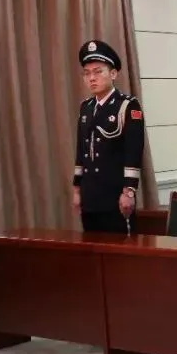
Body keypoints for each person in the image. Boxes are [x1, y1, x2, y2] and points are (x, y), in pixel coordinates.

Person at [72, 40, 145, 234]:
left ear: (113, 74)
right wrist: (77, 189)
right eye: (87, 73)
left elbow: (134, 151)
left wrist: (129, 191)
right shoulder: (86, 107)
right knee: (91, 247)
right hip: (90, 197)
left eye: (98, 72)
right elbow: (81, 151)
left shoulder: (127, 105)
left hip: (115, 197)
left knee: (120, 248)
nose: (92, 78)